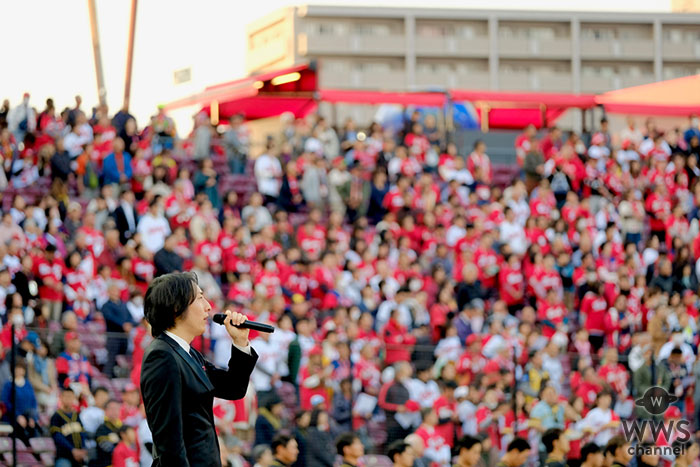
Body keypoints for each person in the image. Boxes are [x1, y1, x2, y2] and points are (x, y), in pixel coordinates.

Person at [140, 272, 258, 467]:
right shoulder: (162, 356)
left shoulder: (188, 353)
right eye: (200, 298)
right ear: (177, 307)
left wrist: (240, 342)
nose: (208, 306)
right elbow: (168, 440)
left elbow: (233, 388)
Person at [51, 388, 88, 467]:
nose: (68, 399)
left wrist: (83, 449)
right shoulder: (56, 416)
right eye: (66, 396)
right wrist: (73, 450)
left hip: (79, 457)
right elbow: (57, 437)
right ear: (61, 398)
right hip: (64, 457)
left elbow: (82, 433)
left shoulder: (76, 415)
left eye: (70, 397)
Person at [93, 400, 122, 467]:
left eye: (117, 409)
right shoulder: (102, 429)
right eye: (112, 409)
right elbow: (106, 447)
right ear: (105, 411)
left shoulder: (123, 427)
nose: (115, 411)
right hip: (108, 463)